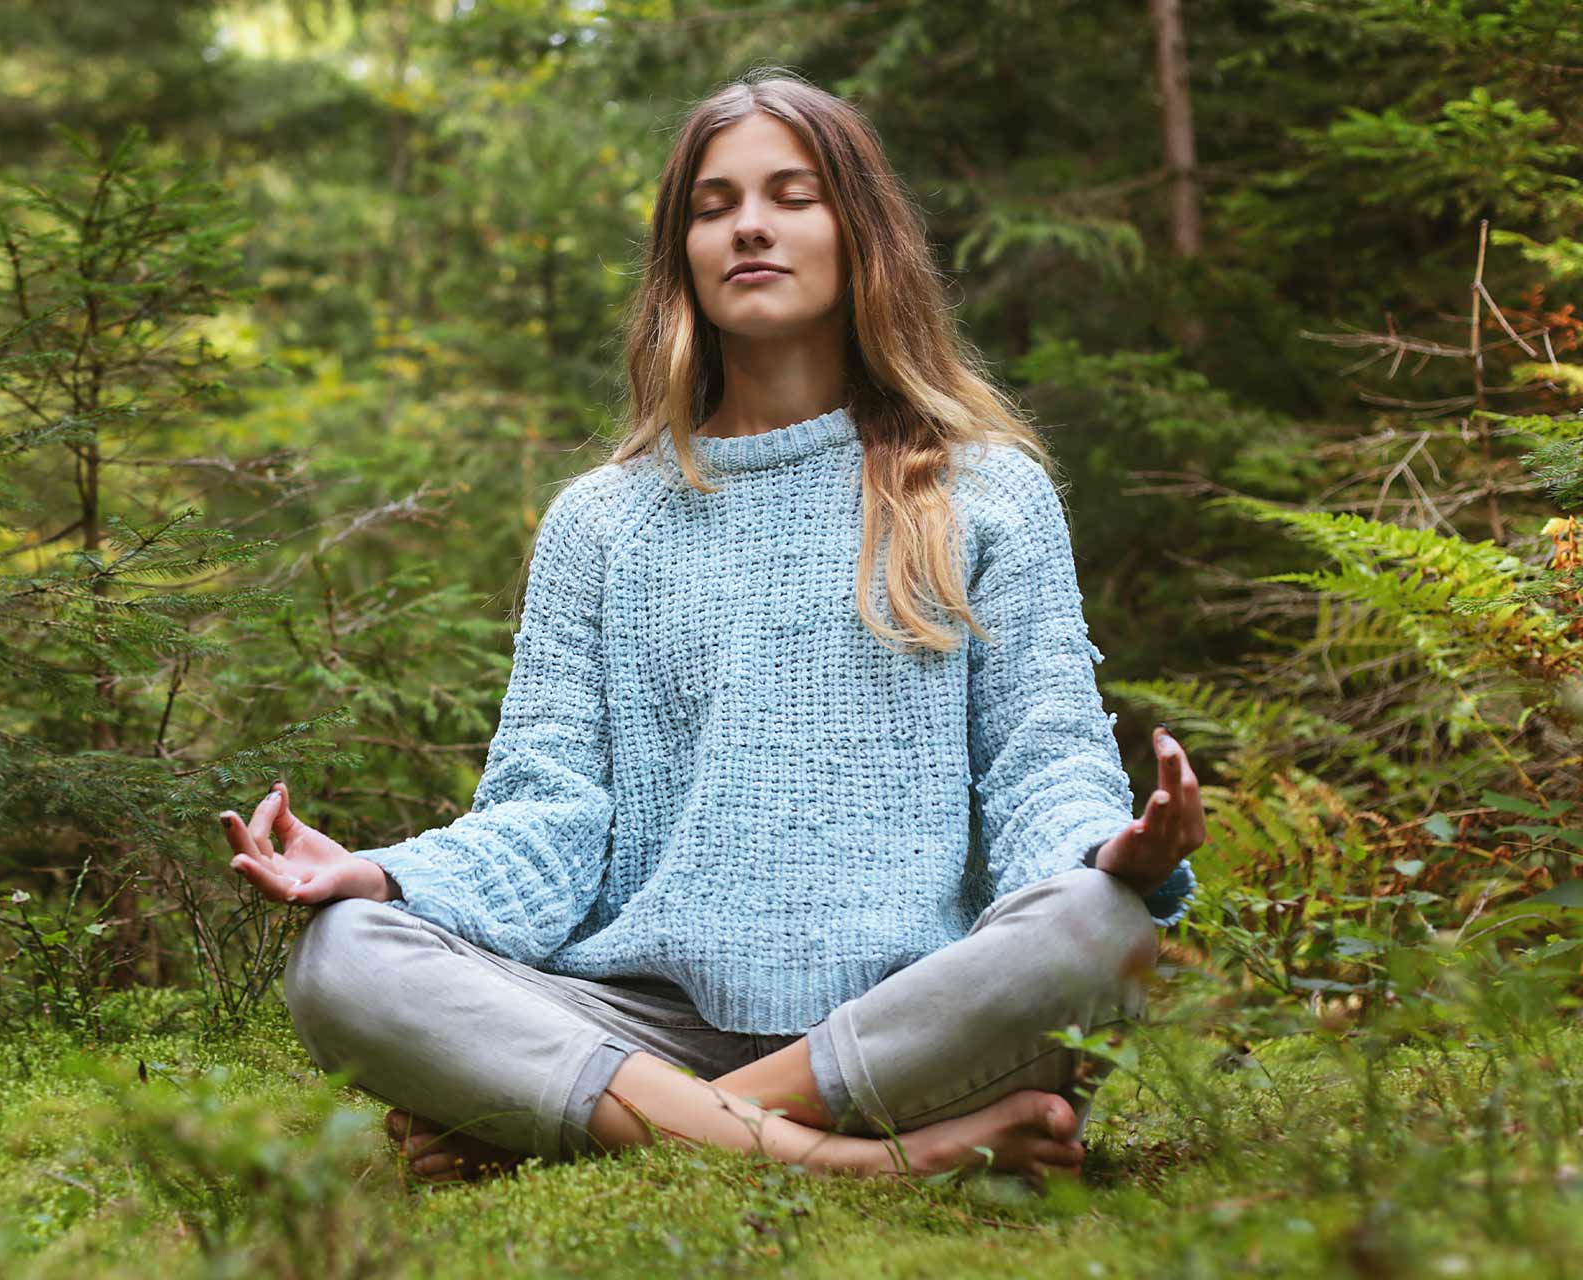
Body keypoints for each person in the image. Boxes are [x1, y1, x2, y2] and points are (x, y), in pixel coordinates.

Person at [216, 69, 1204, 1187]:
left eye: (791, 194)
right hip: (643, 1017)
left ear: (859, 232)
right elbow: (548, 814)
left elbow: (1045, 761)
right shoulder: (602, 520)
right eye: (712, 204)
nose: (748, 225)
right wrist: (384, 878)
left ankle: (614, 1131)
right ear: (679, 252)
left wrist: (1105, 850)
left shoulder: (984, 492)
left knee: (1096, 924)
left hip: (903, 1011)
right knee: (342, 959)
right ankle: (877, 1164)